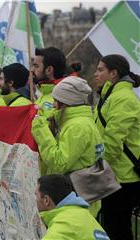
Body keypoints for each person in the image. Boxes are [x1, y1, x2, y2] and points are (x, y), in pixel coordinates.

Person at [31, 76, 104, 216]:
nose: (52, 105)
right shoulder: (77, 121)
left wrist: (40, 130)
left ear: (65, 103)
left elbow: (60, 162)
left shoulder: (77, 127)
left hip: (76, 200)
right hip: (78, 195)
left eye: (56, 101)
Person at [93, 54, 140, 240]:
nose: (96, 74)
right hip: (113, 173)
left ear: (113, 73)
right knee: (112, 226)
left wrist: (96, 168)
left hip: (123, 177)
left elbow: (112, 144)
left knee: (118, 229)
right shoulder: (110, 96)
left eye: (100, 69)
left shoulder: (123, 98)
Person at [36, 174, 109, 240]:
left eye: (36, 196)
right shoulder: (83, 215)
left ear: (46, 200)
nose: (35, 200)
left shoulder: (64, 223)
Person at [32, 47, 67, 116]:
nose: (32, 70)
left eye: (36, 66)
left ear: (49, 70)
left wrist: (35, 119)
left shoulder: (62, 99)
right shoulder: (43, 94)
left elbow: (55, 126)